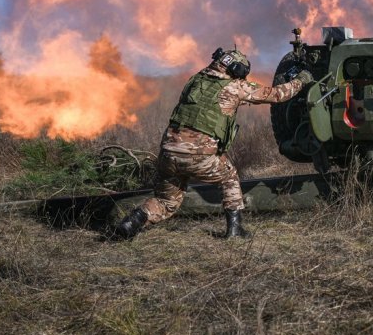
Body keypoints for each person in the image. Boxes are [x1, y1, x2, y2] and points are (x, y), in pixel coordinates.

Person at [115, 47, 311, 240]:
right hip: (199, 156)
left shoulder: (195, 80)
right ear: (236, 70)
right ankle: (235, 231)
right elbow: (277, 94)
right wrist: (302, 80)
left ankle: (133, 221)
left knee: (166, 201)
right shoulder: (235, 87)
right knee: (229, 177)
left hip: (168, 153)